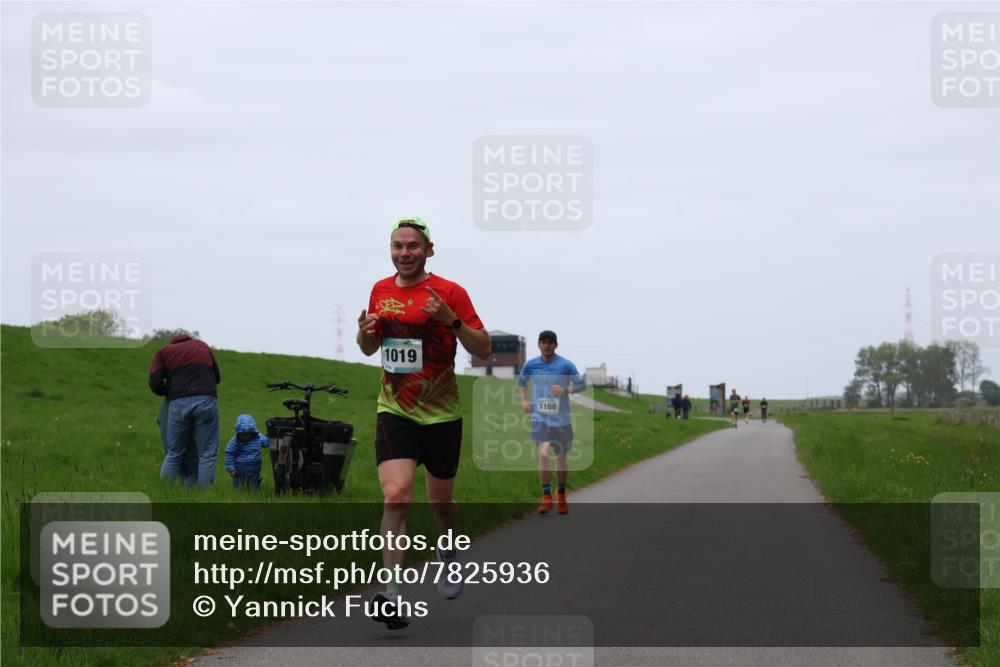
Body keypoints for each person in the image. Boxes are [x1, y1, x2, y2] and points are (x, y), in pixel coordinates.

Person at [357, 217, 490, 630]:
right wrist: (365, 333)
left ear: (429, 250)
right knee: (396, 495)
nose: (404, 253)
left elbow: (483, 349)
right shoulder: (380, 290)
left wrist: (451, 319)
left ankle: (448, 554)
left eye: (413, 246)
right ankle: (392, 593)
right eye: (397, 246)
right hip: (395, 409)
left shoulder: (450, 292)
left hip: (442, 414)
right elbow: (369, 348)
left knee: (440, 504)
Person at [518, 331, 586, 516]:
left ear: (556, 345)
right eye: (543, 342)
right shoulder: (531, 365)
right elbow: (522, 383)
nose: (546, 346)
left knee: (561, 456)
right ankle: (546, 495)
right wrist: (524, 401)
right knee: (544, 452)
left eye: (550, 343)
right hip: (539, 418)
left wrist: (566, 389)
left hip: (561, 419)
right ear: (538, 344)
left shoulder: (565, 364)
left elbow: (581, 384)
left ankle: (561, 494)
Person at [148, 333, 221, 486]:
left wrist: (170, 389)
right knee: (207, 453)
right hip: (206, 399)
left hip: (179, 402)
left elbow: (154, 383)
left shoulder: (164, 352)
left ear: (172, 342)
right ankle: (204, 497)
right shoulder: (203, 346)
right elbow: (217, 377)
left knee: (174, 453)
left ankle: (164, 492)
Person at [157, 396, 198, 486]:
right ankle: (188, 496)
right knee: (193, 473)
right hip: (187, 450)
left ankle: (165, 491)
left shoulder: (164, 406)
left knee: (180, 471)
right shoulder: (186, 402)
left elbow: (159, 421)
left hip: (169, 451)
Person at [225, 414, 268, 489]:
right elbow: (229, 454)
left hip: (255, 469)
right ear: (238, 432)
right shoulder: (235, 441)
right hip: (239, 471)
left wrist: (272, 437)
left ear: (252, 432)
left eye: (248, 434)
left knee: (254, 487)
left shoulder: (258, 438)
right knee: (239, 487)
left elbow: (267, 443)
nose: (245, 436)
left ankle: (254, 493)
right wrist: (231, 469)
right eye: (243, 434)